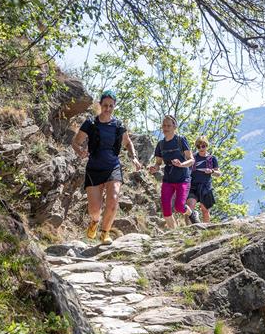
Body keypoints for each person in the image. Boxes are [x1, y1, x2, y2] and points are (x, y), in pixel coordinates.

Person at [71, 90, 142, 244]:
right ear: (100, 105)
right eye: (105, 105)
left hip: (113, 168)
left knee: (114, 199)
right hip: (94, 168)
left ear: (114, 106)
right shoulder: (90, 123)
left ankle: (105, 233)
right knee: (95, 210)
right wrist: (80, 151)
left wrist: (134, 158)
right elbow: (75, 142)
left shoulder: (118, 125)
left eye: (111, 106)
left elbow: (128, 142)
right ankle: (95, 222)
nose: (108, 108)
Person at [148, 115, 199, 228]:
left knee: (179, 207)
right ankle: (175, 233)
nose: (165, 128)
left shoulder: (181, 140)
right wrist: (154, 168)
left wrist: (181, 165)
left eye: (168, 125)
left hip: (182, 178)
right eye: (164, 125)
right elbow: (158, 163)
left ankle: (192, 214)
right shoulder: (161, 144)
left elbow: (191, 159)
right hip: (168, 179)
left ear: (174, 126)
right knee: (166, 210)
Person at [187, 137, 221, 223]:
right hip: (193, 187)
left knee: (205, 211)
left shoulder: (212, 158)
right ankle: (190, 230)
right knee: (189, 208)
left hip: (205, 187)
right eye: (198, 146)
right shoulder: (193, 158)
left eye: (203, 146)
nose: (201, 148)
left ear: (207, 146)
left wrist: (212, 171)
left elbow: (219, 174)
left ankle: (207, 231)